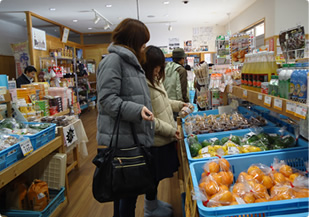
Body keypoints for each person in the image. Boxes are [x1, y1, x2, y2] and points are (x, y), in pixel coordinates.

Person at [96, 18, 154, 217]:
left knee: (126, 193)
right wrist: (137, 110)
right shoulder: (114, 61)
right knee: (126, 194)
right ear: (133, 40)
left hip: (131, 136)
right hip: (122, 139)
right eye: (143, 41)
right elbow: (107, 99)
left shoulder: (130, 61)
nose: (144, 46)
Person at [142, 45, 186, 217]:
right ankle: (149, 209)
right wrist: (171, 130)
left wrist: (181, 104)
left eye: (160, 66)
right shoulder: (143, 86)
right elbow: (150, 120)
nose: (159, 69)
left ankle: (153, 204)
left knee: (156, 177)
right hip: (156, 140)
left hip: (164, 138)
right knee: (152, 177)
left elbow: (165, 103)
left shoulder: (155, 80)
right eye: (156, 66)